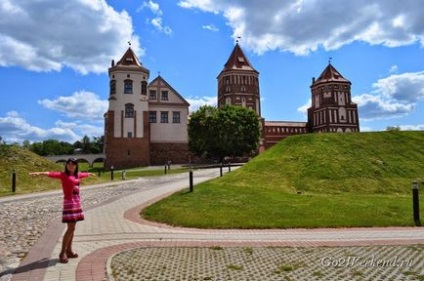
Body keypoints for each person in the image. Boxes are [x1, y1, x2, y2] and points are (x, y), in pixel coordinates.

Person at [30, 157, 95, 263]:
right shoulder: (63, 175)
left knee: (72, 228)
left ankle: (69, 250)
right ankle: (62, 253)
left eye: (73, 164)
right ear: (66, 165)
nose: (71, 165)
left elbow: (84, 175)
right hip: (69, 204)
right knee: (70, 228)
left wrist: (90, 174)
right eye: (69, 164)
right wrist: (39, 173)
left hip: (77, 204)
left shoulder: (77, 175)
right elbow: (50, 173)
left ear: (76, 166)